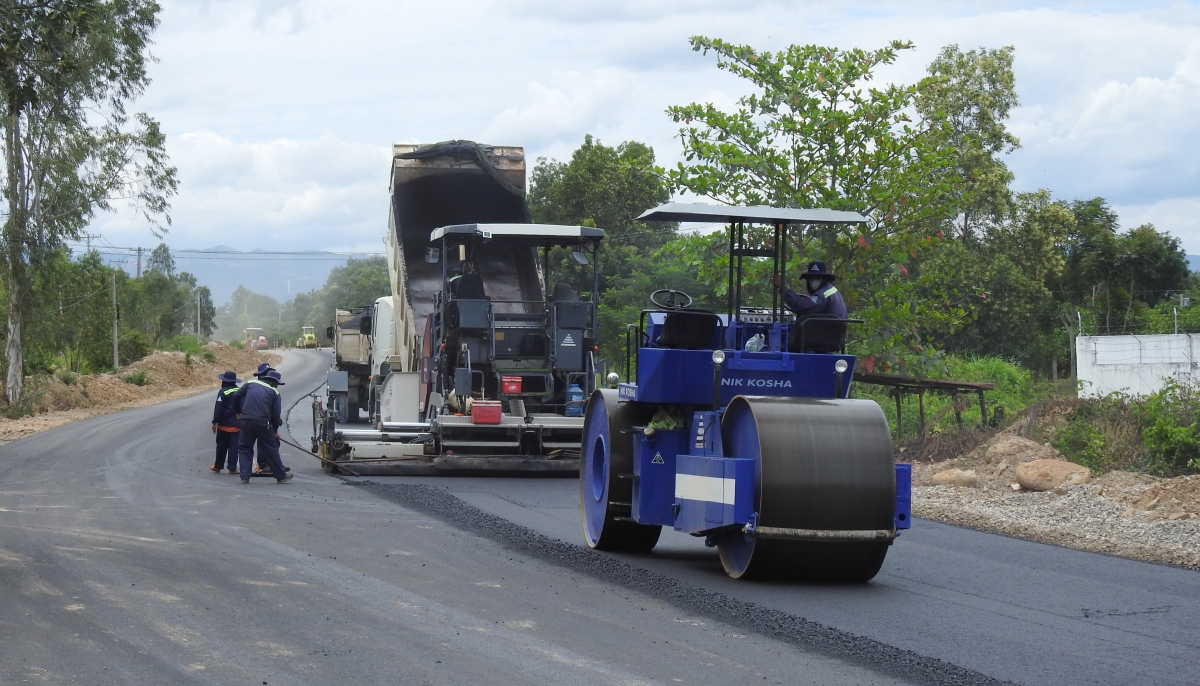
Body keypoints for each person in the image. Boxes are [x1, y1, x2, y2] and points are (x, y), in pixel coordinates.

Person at [232, 369, 293, 484]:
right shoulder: (274, 392)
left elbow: (236, 396)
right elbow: (275, 415)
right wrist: (274, 431)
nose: (277, 386)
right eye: (277, 383)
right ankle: (281, 475)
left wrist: (238, 411)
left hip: (246, 420)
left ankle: (244, 477)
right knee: (270, 448)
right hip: (262, 422)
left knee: (245, 448)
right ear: (273, 381)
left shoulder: (250, 383)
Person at [771, 261, 847, 320]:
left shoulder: (823, 294)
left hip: (824, 336)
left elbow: (802, 306)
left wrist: (782, 288)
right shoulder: (831, 290)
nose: (813, 281)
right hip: (832, 335)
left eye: (817, 278)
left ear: (824, 279)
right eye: (811, 278)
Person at [210, 371, 242, 474]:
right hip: (237, 426)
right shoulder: (240, 391)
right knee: (234, 448)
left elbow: (218, 408)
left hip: (224, 426)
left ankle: (218, 466)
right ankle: (232, 468)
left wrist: (215, 422)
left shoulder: (223, 392)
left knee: (221, 447)